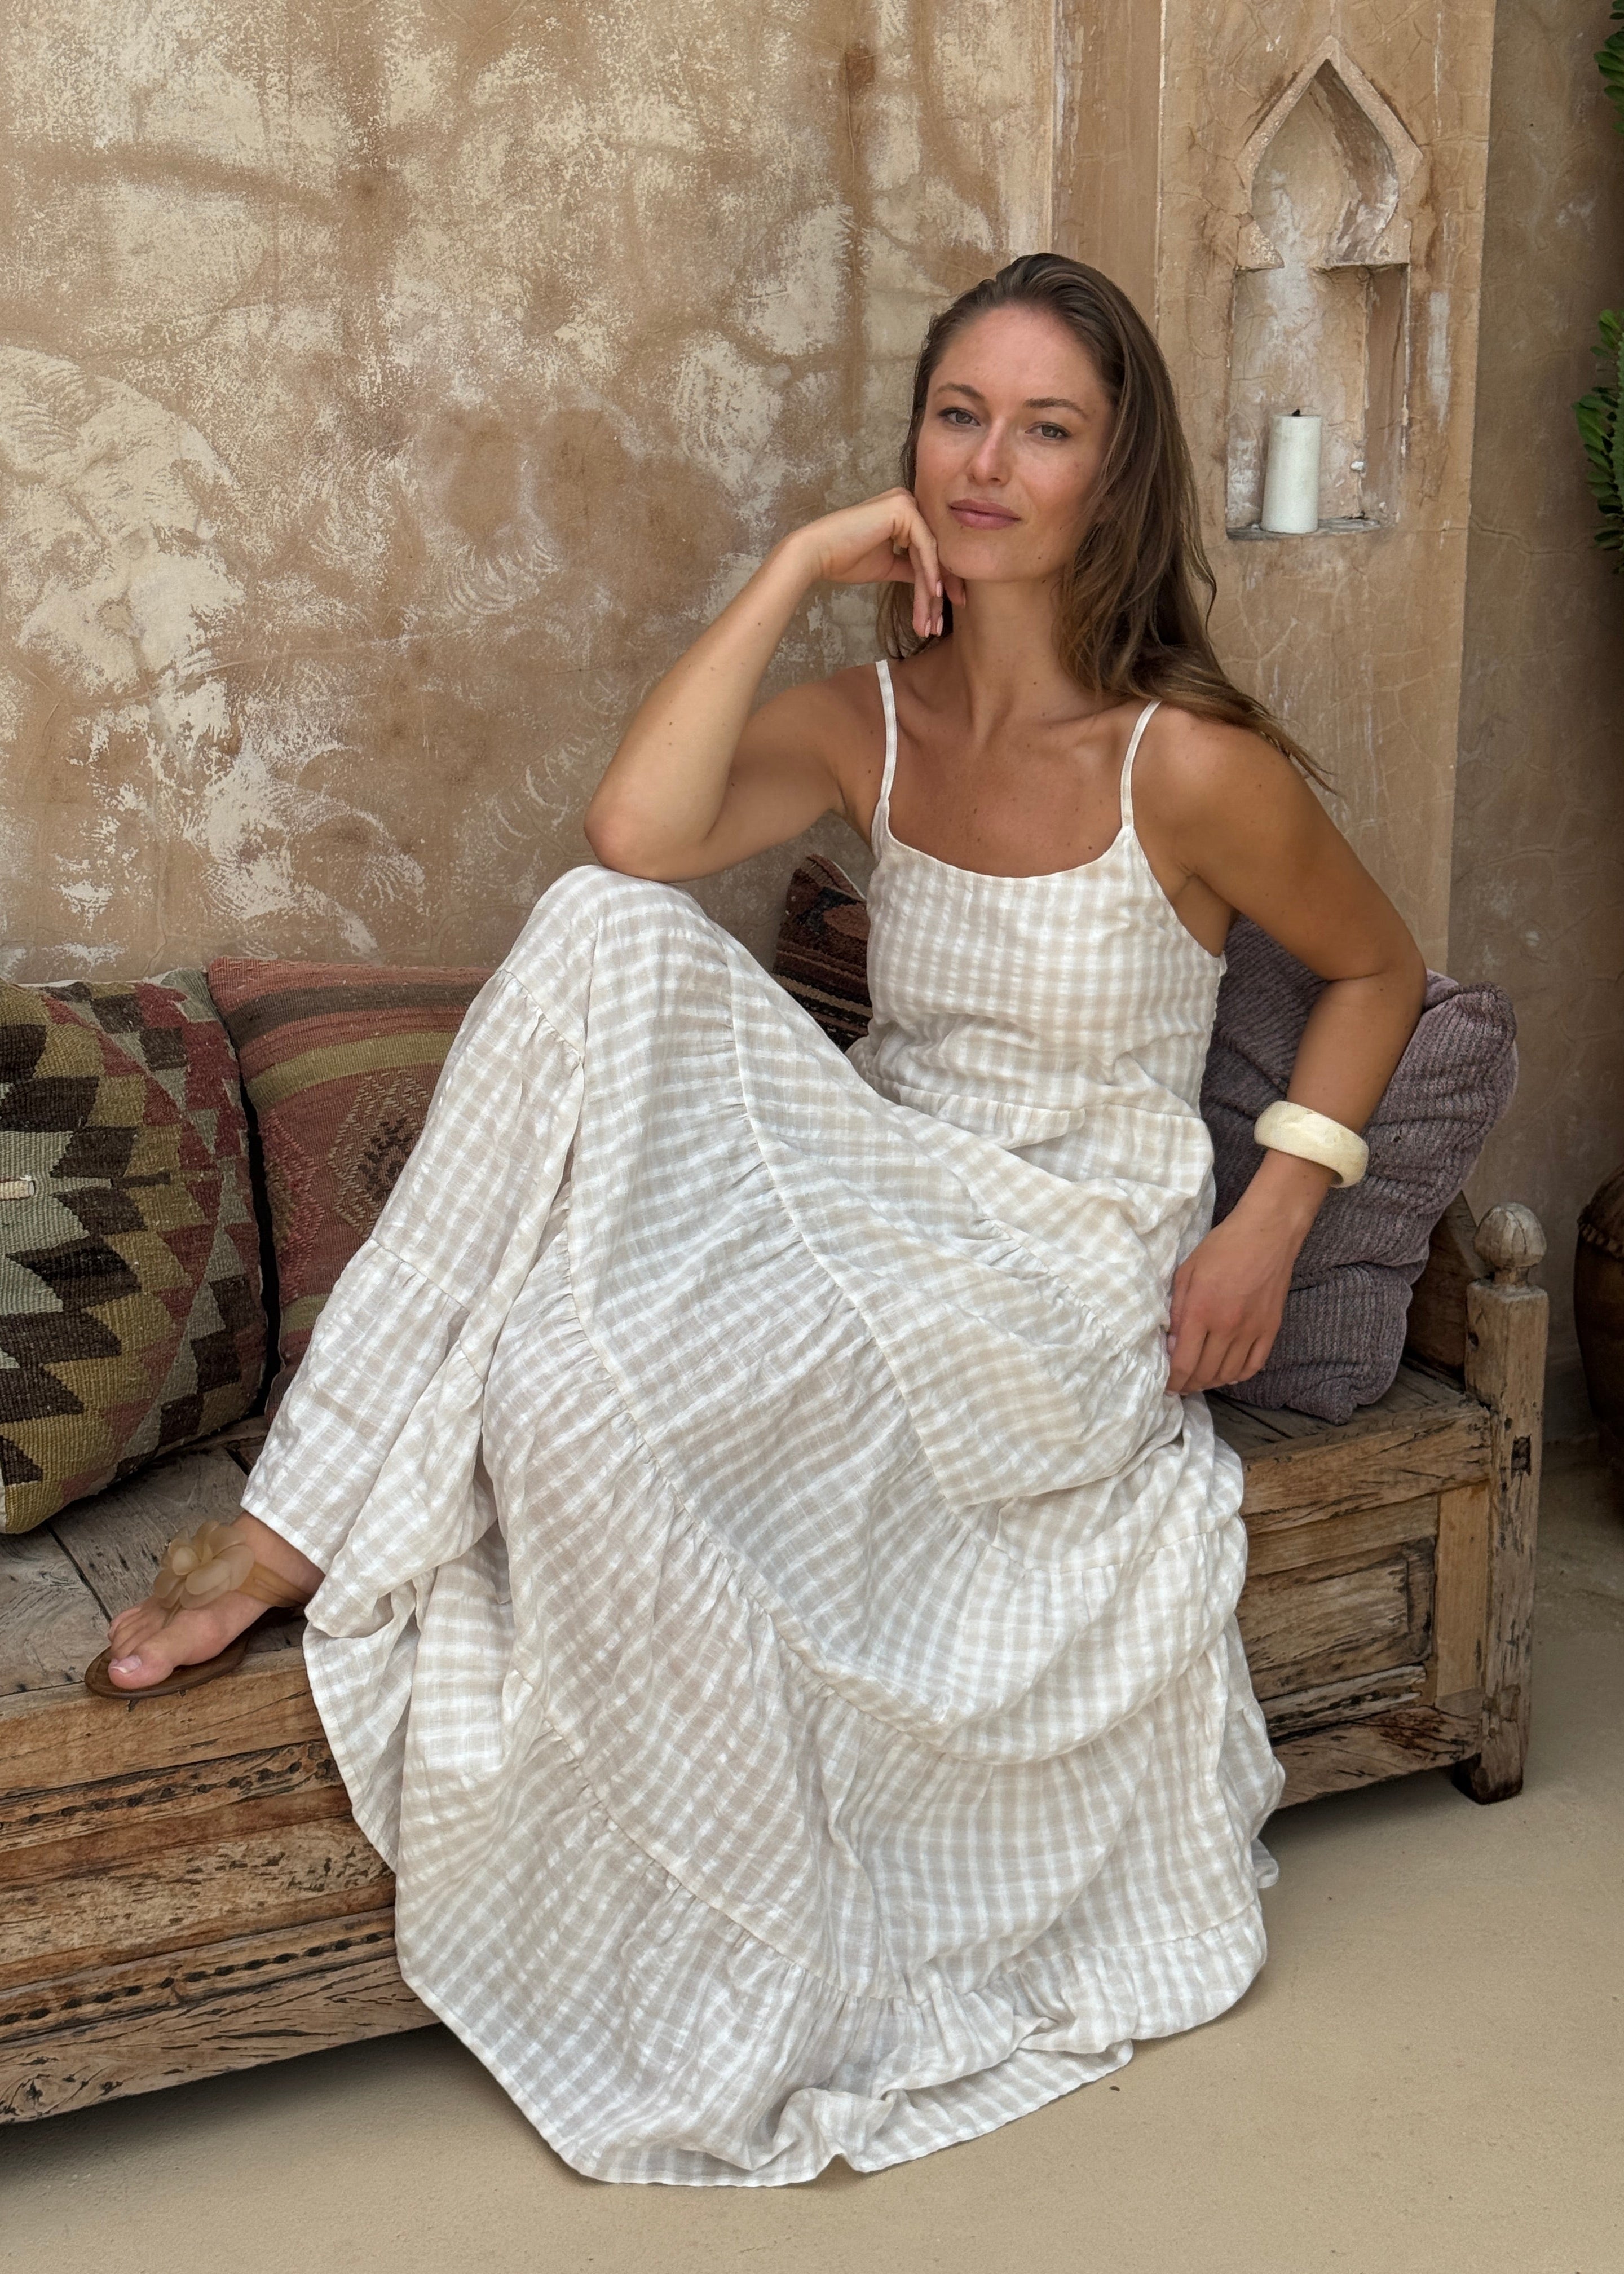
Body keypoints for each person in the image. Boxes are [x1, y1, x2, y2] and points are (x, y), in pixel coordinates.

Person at [91, 254, 1425, 2184]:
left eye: (1047, 428)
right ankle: (307, 1520)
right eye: (959, 415)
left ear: (1115, 478)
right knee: (594, 979)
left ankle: (301, 1529)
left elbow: (1377, 973)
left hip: (1059, 1265)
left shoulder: (1195, 764)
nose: (989, 461)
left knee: (605, 1327)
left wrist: (1273, 1219)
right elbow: (635, 840)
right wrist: (802, 567)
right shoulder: (864, 720)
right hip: (885, 1182)